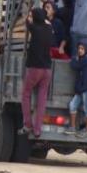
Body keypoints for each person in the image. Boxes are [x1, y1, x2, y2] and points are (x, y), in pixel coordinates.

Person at [22, 7, 53, 138]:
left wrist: (28, 17)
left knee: (26, 94)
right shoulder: (48, 29)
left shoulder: (34, 28)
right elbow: (47, 22)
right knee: (42, 99)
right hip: (47, 69)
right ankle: (37, 129)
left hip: (35, 68)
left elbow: (27, 22)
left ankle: (28, 124)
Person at [67, 42, 87, 136]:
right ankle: (72, 127)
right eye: (79, 48)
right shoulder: (83, 59)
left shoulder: (86, 60)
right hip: (81, 88)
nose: (80, 50)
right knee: (72, 105)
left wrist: (73, 59)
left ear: (86, 50)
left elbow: (74, 65)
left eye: (82, 49)